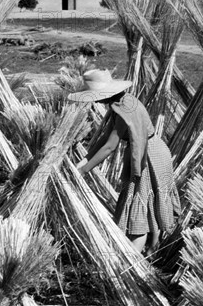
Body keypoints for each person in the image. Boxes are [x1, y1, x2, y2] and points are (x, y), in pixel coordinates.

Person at [68, 69, 180, 255]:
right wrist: (83, 162)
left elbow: (110, 146)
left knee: (138, 211)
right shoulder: (123, 102)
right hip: (154, 150)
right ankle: (153, 250)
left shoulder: (123, 110)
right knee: (148, 201)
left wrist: (84, 170)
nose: (95, 100)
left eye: (96, 96)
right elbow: (105, 138)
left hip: (148, 156)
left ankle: (133, 261)